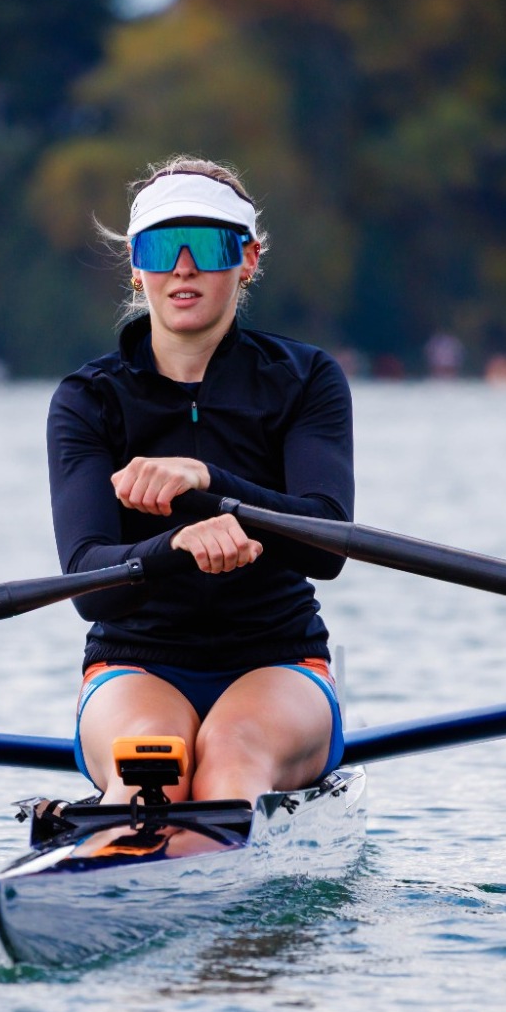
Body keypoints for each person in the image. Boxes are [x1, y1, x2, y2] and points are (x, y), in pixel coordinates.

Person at [47, 156, 355, 806]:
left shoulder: (305, 380)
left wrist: (214, 484)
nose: (183, 266)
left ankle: (191, 864)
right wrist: (175, 547)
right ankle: (131, 867)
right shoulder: (87, 400)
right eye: (161, 246)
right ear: (137, 264)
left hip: (280, 663)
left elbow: (327, 545)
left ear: (247, 258)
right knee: (149, 767)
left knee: (229, 756)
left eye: (209, 245)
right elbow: (86, 582)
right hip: (133, 665)